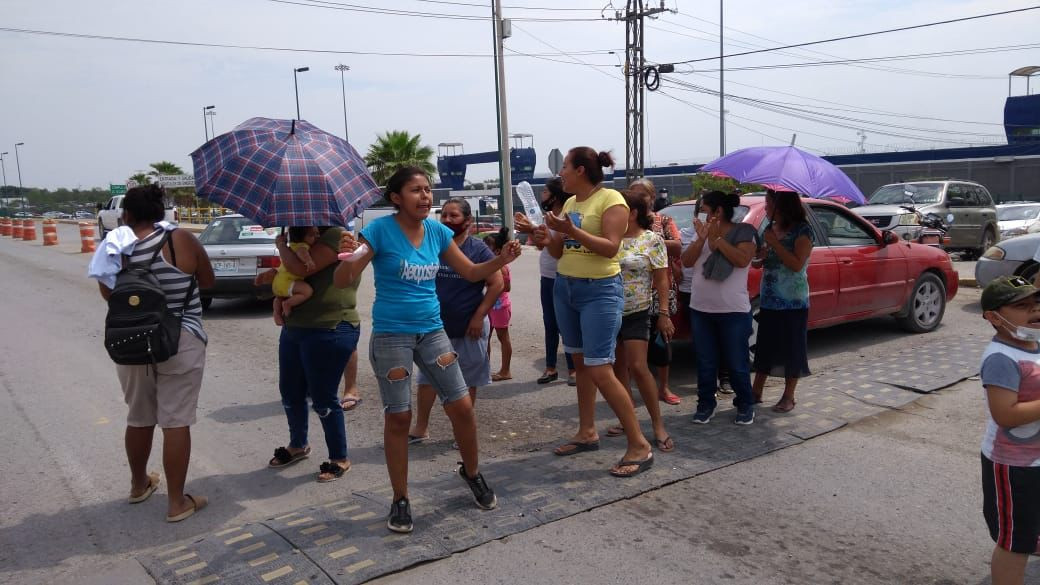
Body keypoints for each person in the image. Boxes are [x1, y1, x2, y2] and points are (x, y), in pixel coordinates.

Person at [334, 166, 521, 534]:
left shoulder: (437, 231)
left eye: (427, 189)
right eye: (416, 190)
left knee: (462, 407)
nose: (425, 197)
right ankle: (400, 498)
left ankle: (471, 472)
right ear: (396, 198)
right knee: (399, 417)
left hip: (433, 332)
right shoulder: (377, 231)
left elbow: (470, 272)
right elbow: (344, 280)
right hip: (392, 336)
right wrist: (347, 256)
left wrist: (502, 260)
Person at [532, 147, 654, 478]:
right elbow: (559, 251)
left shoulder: (611, 200)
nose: (562, 176)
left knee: (601, 368)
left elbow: (611, 247)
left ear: (582, 170)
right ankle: (587, 432)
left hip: (599, 290)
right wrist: (543, 236)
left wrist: (570, 231)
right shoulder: (571, 204)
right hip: (566, 287)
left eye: (566, 169)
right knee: (581, 363)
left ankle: (640, 444)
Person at [96, 184, 215, 522]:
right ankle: (177, 503)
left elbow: (109, 294)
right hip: (181, 338)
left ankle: (138, 485)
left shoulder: (114, 244)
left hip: (131, 342)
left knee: (139, 416)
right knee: (175, 421)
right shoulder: (181, 241)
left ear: (126, 214)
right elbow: (207, 282)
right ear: (162, 212)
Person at [266, 224, 360, 484]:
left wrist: (281, 245)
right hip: (296, 325)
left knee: (323, 398)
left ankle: (339, 457)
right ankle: (297, 445)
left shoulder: (333, 235)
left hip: (330, 326)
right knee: (290, 391)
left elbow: (300, 268)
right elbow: (288, 277)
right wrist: (277, 300)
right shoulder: (300, 231)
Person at [409, 198, 504, 443]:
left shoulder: (478, 249)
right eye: (445, 216)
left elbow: (497, 283)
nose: (448, 220)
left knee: (467, 380)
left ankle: (461, 431)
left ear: (468, 221)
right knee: (427, 378)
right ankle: (420, 427)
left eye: (454, 216)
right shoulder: (431, 245)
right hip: (434, 327)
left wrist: (479, 316)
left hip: (468, 327)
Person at [977, 276, 1040, 585]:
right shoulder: (1002, 358)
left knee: (1031, 531)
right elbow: (1006, 414)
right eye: (1022, 306)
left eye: (1036, 303)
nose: (1034, 311)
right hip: (1015, 466)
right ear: (993, 317)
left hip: (1036, 460)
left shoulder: (1035, 343)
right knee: (1015, 542)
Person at [603, 191, 675, 451]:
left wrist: (664, 313)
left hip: (637, 311)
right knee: (618, 370)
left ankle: (658, 425)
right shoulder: (609, 239)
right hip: (610, 310)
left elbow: (662, 279)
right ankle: (627, 420)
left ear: (632, 213)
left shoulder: (652, 240)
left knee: (638, 366)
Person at [681, 190, 758, 425]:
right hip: (701, 308)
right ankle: (705, 404)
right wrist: (702, 239)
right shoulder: (702, 233)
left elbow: (742, 260)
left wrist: (718, 240)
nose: (701, 215)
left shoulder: (744, 232)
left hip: (732, 310)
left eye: (704, 210)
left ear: (718, 211)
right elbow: (686, 261)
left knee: (736, 362)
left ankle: (745, 404)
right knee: (705, 362)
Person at [752, 190, 814, 413]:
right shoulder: (769, 229)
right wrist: (761, 254)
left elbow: (797, 264)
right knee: (766, 345)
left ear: (783, 207)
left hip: (792, 301)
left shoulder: (802, 231)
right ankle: (756, 391)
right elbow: (761, 262)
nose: (766, 209)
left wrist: (775, 245)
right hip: (769, 299)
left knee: (791, 348)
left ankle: (789, 396)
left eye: (769, 205)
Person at [514, 178, 576, 386]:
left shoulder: (566, 218)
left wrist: (535, 230)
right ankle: (550, 368)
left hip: (564, 275)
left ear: (556, 196)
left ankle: (573, 369)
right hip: (547, 276)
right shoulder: (545, 218)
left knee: (565, 324)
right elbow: (543, 247)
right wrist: (533, 230)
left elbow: (561, 250)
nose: (542, 197)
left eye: (546, 193)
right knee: (550, 323)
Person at [627, 178, 682, 405]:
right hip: (632, 293)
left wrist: (652, 240)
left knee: (661, 341)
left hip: (659, 288)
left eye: (644, 194)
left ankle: (663, 387)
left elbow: (678, 246)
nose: (640, 198)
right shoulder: (624, 223)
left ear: (652, 197)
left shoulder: (664, 220)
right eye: (634, 194)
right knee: (630, 347)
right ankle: (629, 392)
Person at [256, 226, 318, 325]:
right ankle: (288, 304)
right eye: (311, 235)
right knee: (307, 291)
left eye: (317, 234)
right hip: (288, 281)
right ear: (300, 237)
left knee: (279, 298)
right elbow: (301, 252)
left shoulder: (290, 246)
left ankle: (277, 314)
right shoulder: (302, 246)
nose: (316, 237)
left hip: (278, 281)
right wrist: (308, 261)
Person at [484, 228, 513, 382]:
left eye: (486, 248)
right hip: (489, 305)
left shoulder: (501, 267)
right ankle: (485, 369)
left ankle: (505, 370)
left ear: (496, 251)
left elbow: (507, 287)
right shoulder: (489, 264)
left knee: (503, 337)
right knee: (485, 337)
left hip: (500, 306)